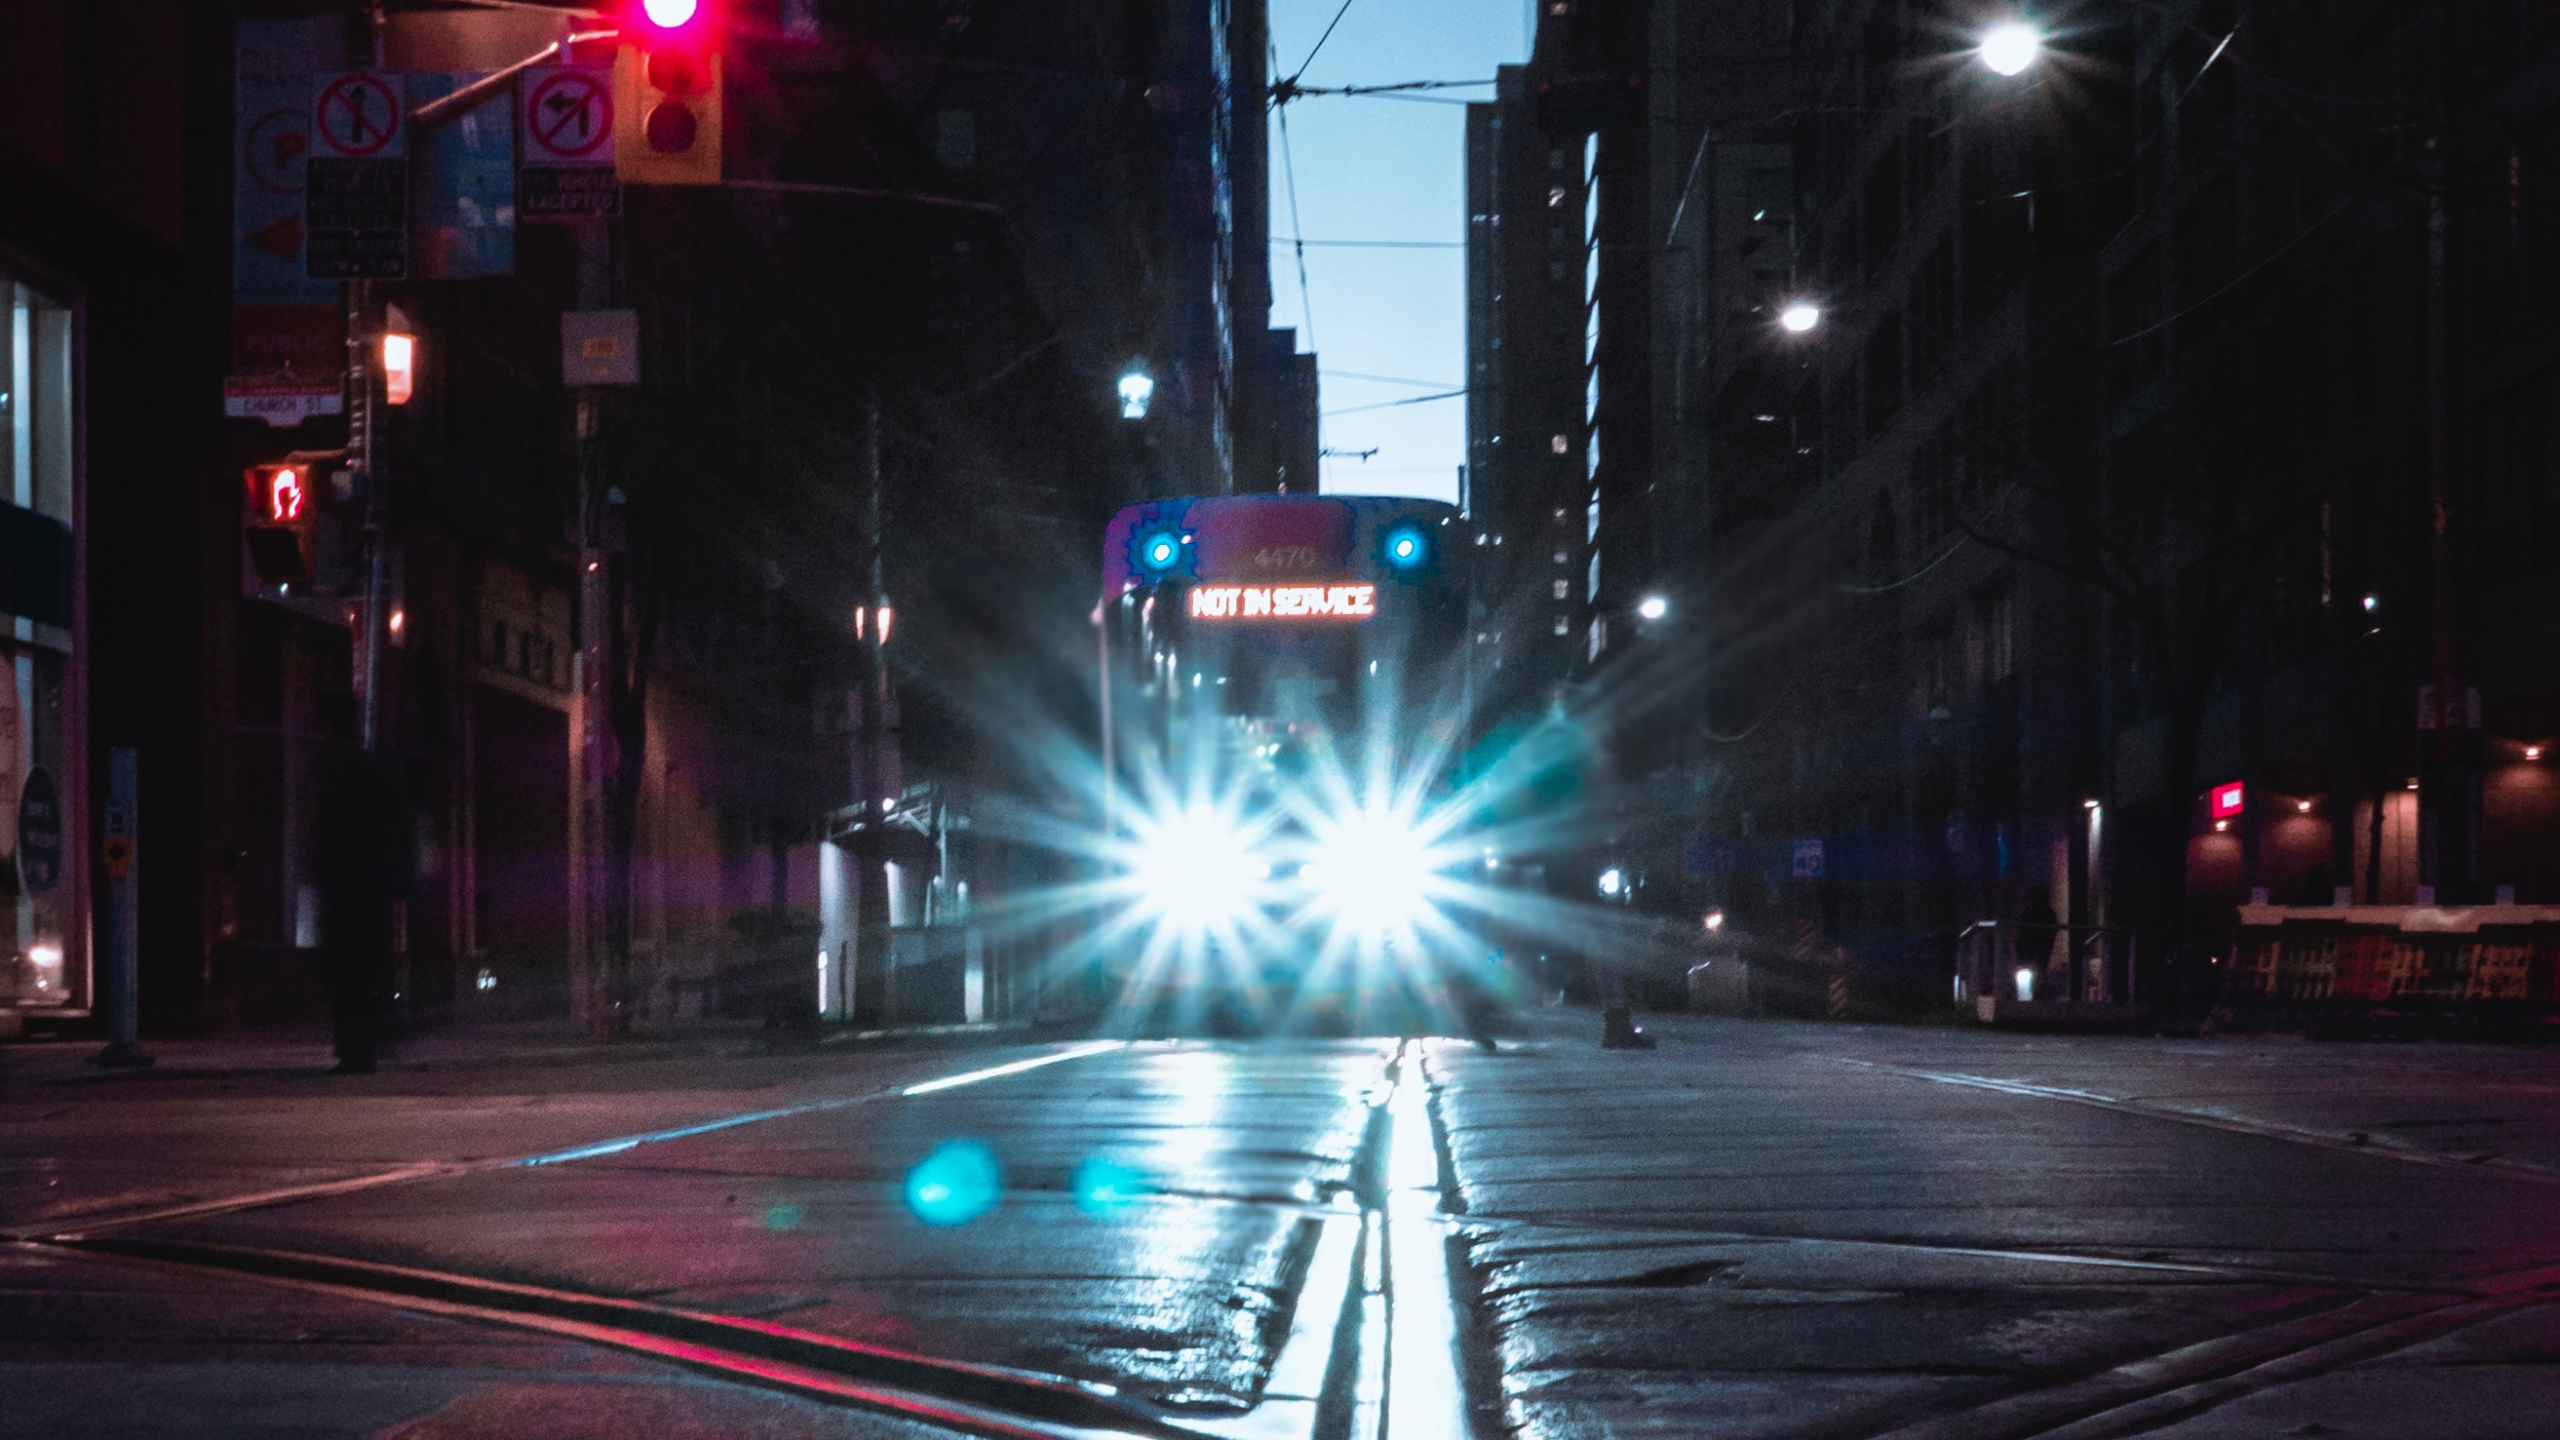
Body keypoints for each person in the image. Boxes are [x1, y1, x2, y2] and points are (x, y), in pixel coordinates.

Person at [314, 697, 413, 1073]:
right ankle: (363, 1046)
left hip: (349, 889)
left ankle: (356, 1048)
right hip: (369, 889)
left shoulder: (339, 766)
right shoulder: (369, 764)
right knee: (364, 971)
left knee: (347, 972)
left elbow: (333, 827)